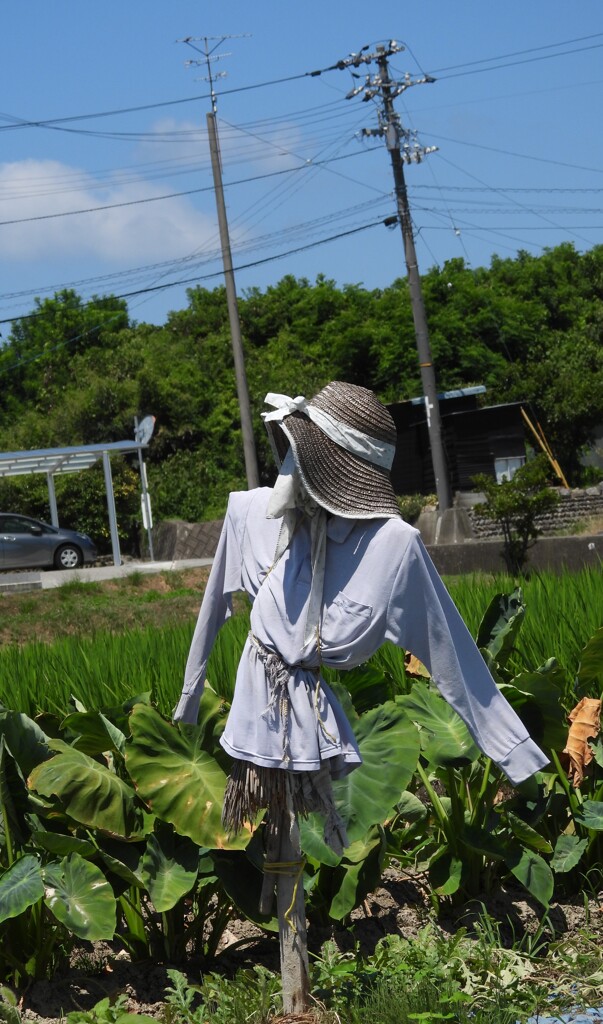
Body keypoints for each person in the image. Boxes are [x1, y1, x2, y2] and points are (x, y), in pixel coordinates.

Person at [173, 381, 548, 852]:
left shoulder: (393, 547)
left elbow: (452, 654)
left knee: (304, 847)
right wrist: (191, 695)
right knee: (273, 849)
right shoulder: (250, 513)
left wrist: (511, 750)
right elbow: (212, 607)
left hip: (316, 732)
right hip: (255, 722)